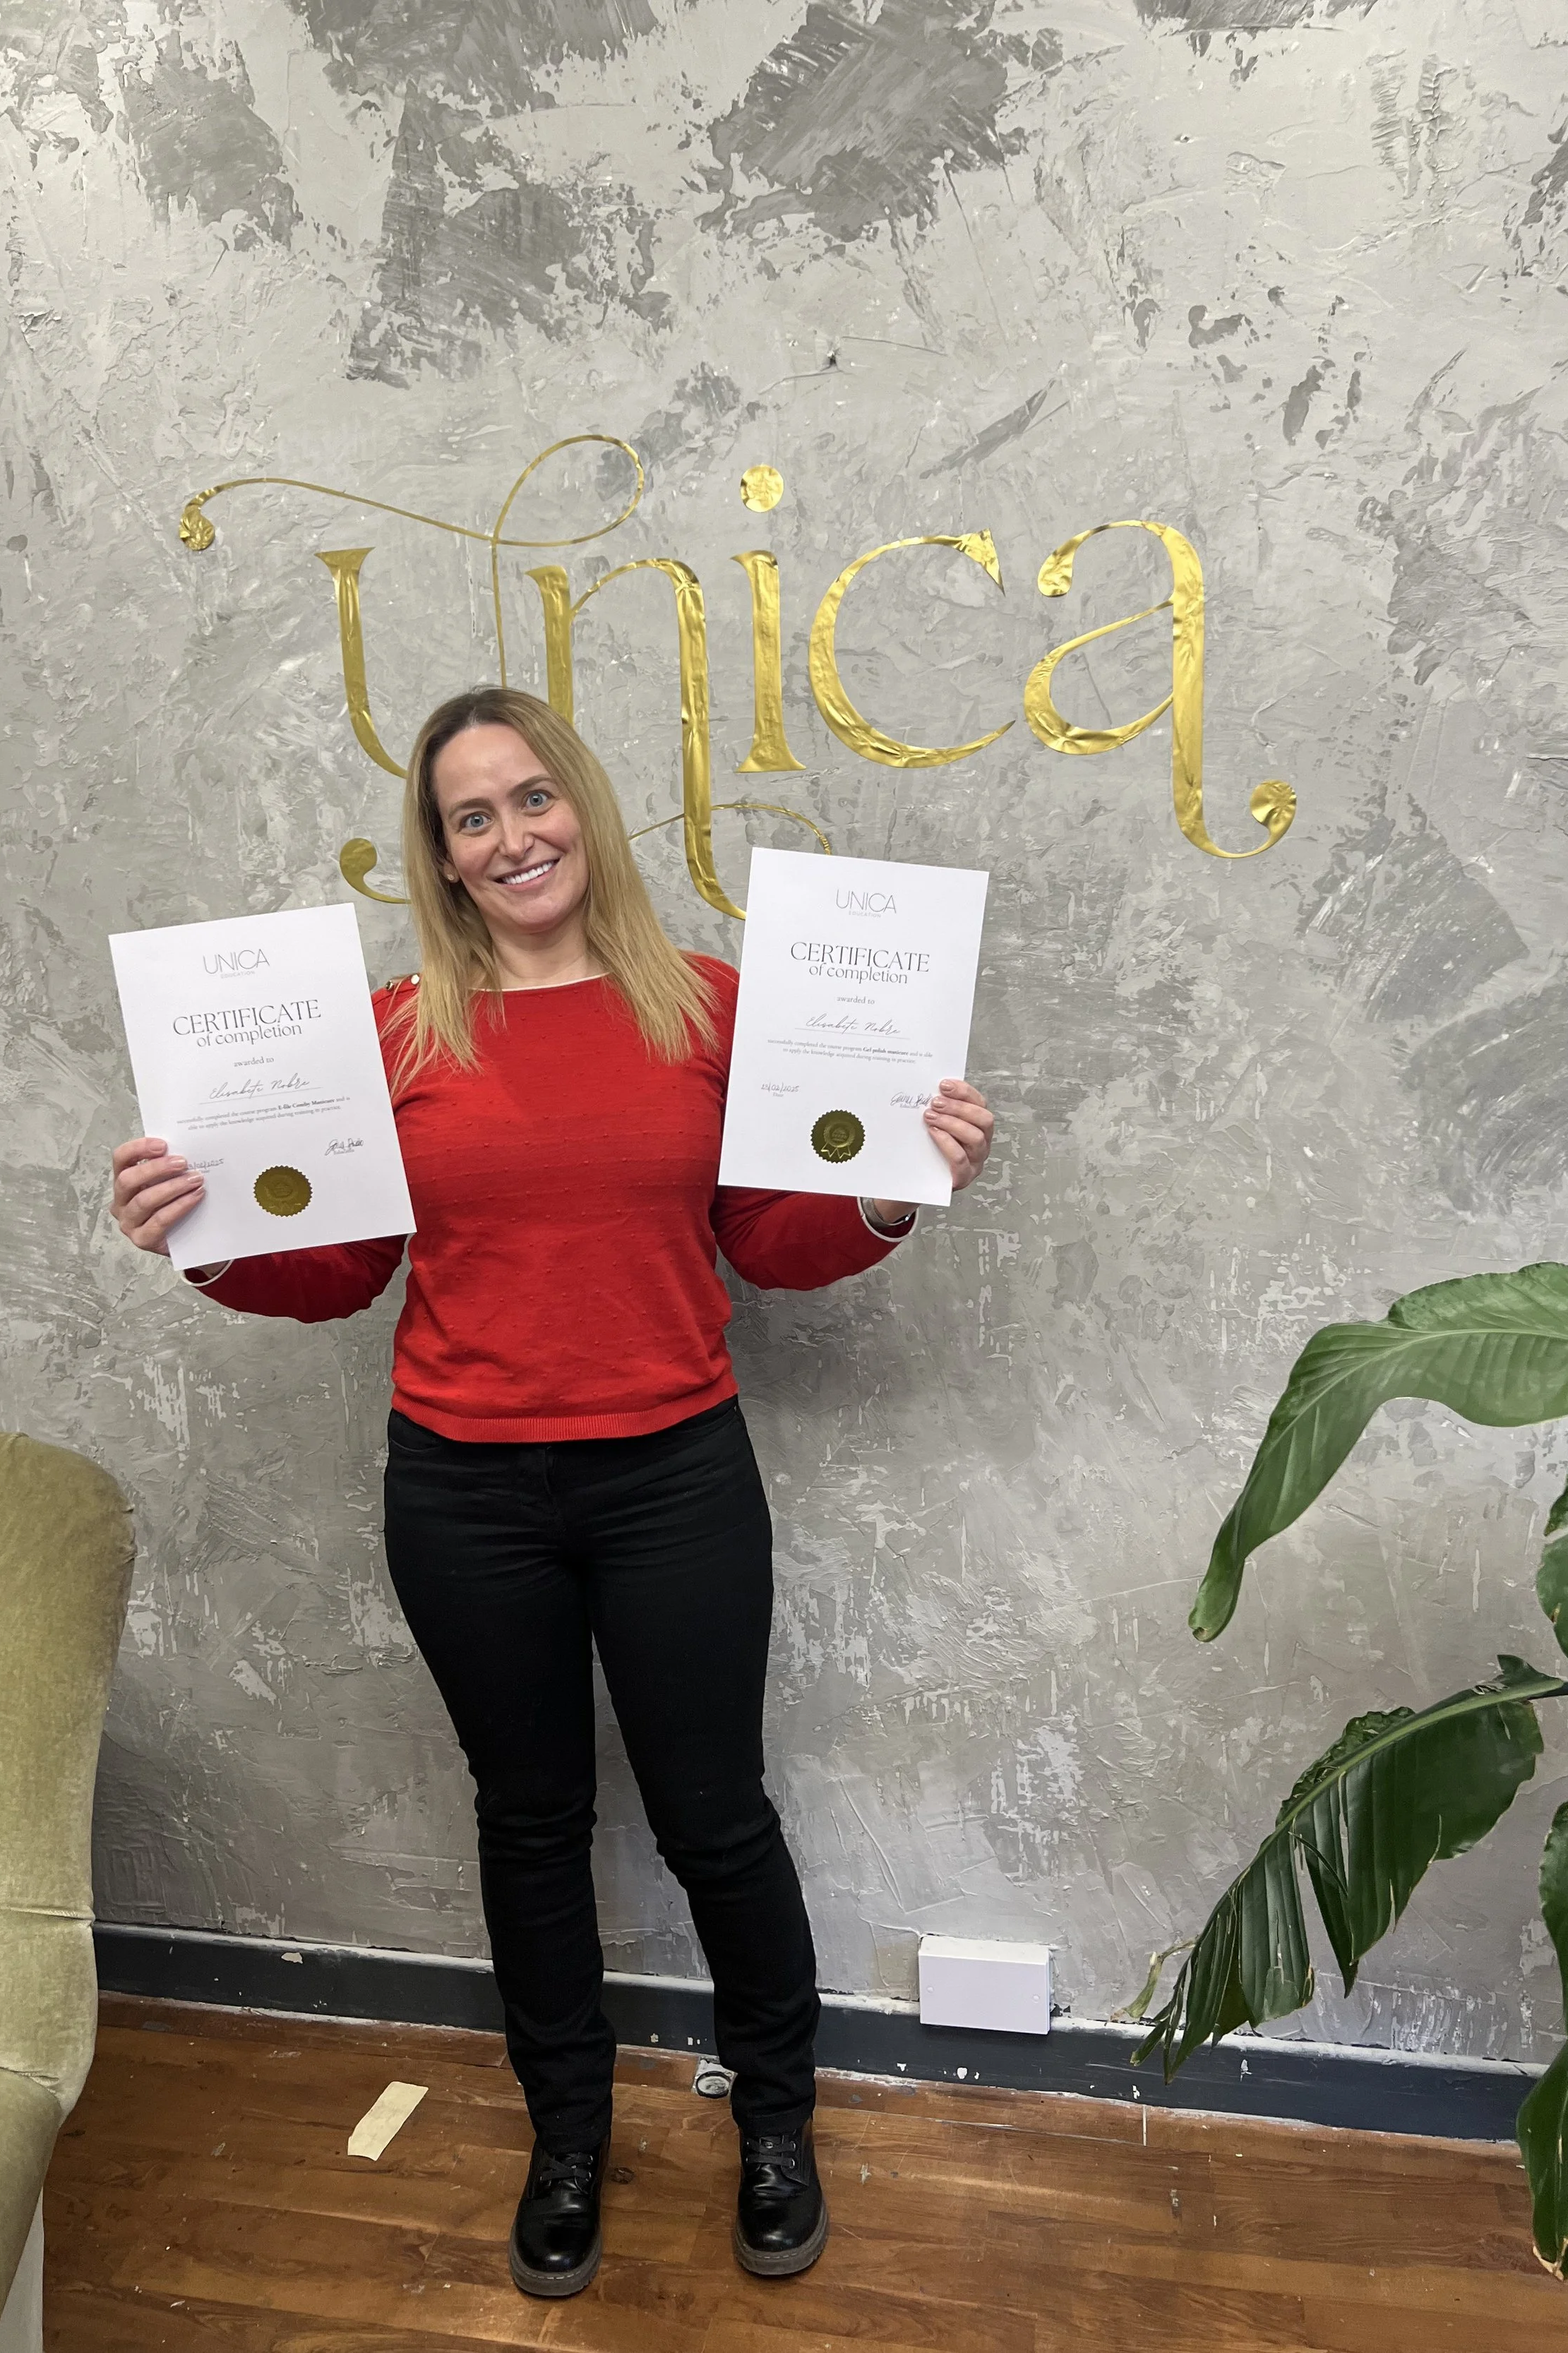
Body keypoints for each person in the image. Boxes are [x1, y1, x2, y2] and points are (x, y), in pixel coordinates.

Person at [109, 685, 995, 2298]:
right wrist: (206, 1231)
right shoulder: (390, 1039)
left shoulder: (707, 1009)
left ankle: (776, 2127)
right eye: (470, 817)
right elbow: (341, 1271)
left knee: (715, 1817)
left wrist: (882, 1194)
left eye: (532, 798)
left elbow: (767, 1246)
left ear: (579, 810)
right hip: (461, 1495)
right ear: (440, 860)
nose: (510, 834)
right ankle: (568, 2137)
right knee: (529, 1824)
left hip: (675, 1476)